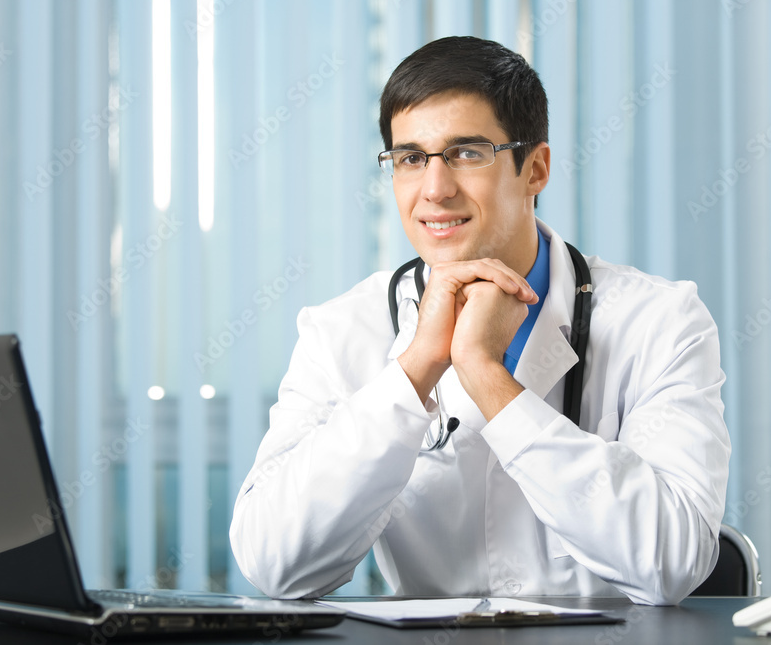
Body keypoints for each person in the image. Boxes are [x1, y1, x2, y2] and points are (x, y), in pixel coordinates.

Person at [229, 36, 730, 606]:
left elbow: (673, 563)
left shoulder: (659, 320)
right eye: (410, 159)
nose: (434, 190)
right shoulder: (341, 331)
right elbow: (274, 564)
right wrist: (416, 369)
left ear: (535, 169)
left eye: (467, 153)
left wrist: (485, 375)